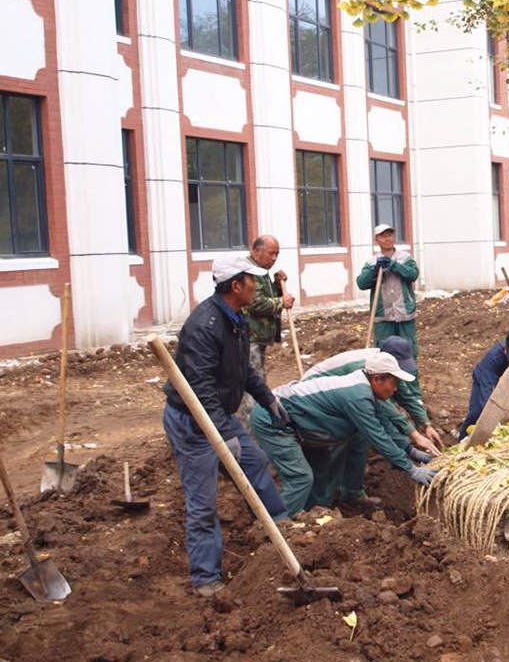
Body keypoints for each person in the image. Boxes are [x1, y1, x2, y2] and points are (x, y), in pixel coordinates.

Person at [162, 256, 292, 597]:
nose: (257, 286)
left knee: (254, 462)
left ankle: (281, 526)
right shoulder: (204, 326)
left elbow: (244, 371)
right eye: (252, 280)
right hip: (193, 422)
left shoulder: (237, 318)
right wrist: (223, 435)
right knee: (203, 503)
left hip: (217, 414)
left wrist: (269, 400)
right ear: (236, 285)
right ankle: (205, 578)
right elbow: (199, 389)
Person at [250, 351, 438, 515]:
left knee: (322, 469)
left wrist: (410, 450)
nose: (395, 388)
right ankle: (277, 525)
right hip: (273, 419)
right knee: (300, 478)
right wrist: (411, 469)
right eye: (393, 382)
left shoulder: (365, 389)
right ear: (377, 379)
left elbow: (384, 424)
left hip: (301, 425)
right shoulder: (357, 396)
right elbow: (378, 436)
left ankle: (312, 515)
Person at [303, 337, 443, 450]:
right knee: (348, 433)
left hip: (339, 394)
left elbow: (406, 397)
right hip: (314, 391)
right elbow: (383, 405)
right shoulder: (370, 368)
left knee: (364, 429)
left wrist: (426, 424)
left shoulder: (387, 368)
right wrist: (414, 435)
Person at [238, 235, 294, 424]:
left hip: (259, 337)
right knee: (252, 382)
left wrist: (278, 287)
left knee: (259, 379)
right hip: (249, 337)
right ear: (256, 251)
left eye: (277, 254)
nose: (274, 258)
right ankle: (250, 425)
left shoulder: (261, 270)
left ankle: (259, 421)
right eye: (271, 253)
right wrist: (281, 302)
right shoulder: (248, 271)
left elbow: (265, 295)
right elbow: (255, 302)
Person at [357, 224, 420, 358]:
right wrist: (374, 271)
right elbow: (361, 283)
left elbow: (413, 274)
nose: (387, 239)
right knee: (383, 354)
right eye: (383, 236)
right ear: (377, 240)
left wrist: (394, 265)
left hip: (404, 313)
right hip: (383, 315)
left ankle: (409, 378)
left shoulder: (405, 258)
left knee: (408, 350)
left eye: (390, 235)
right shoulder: (372, 261)